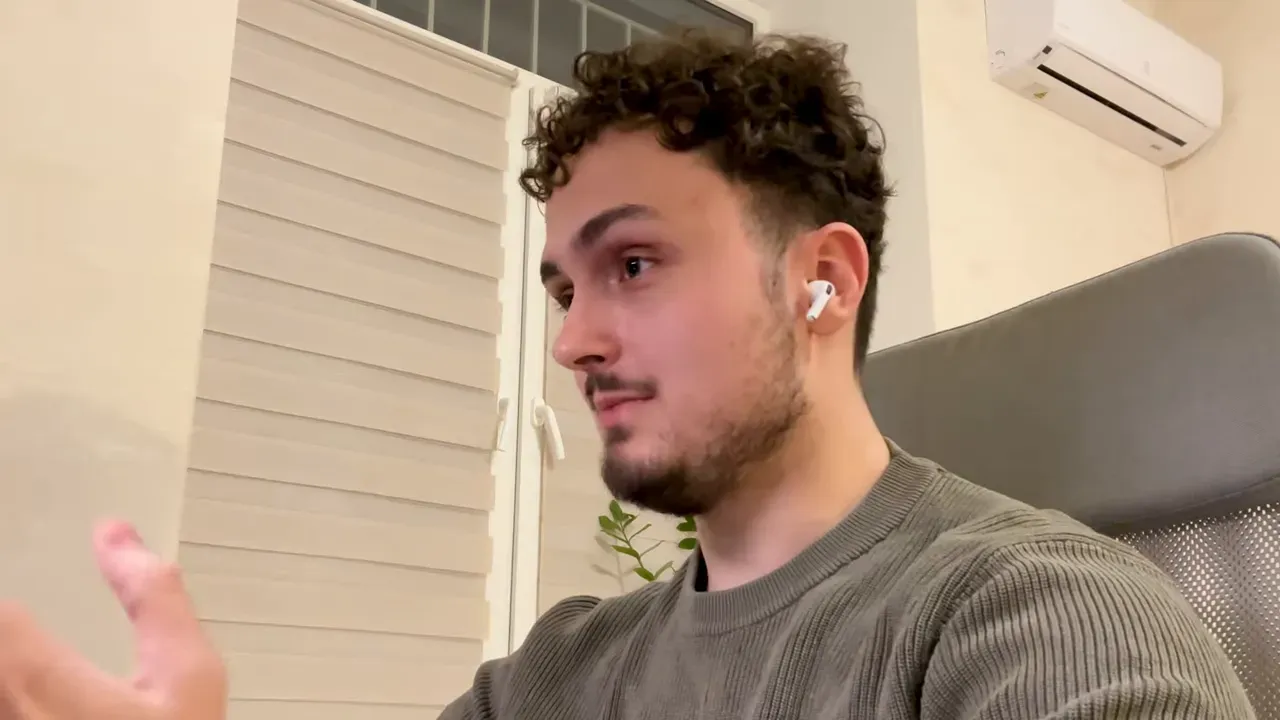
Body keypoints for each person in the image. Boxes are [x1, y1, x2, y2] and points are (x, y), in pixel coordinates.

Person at [0, 31, 1255, 720]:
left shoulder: (1035, 617)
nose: (572, 342)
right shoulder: (553, 678)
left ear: (821, 282)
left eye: (634, 264)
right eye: (563, 289)